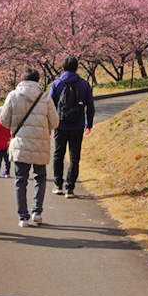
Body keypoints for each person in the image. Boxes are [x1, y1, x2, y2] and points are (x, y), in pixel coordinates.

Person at [0, 68, 59, 228]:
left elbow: (4, 120)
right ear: (38, 81)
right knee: (40, 178)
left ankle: (23, 217)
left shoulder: (13, 95)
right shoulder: (45, 97)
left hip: (20, 144)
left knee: (20, 180)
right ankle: (37, 212)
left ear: (22, 80)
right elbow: (55, 122)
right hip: (40, 143)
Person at [49, 55, 95, 198]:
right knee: (74, 156)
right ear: (77, 68)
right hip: (77, 125)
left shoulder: (56, 84)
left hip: (60, 125)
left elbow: (50, 105)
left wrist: (50, 124)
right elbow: (90, 106)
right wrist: (89, 123)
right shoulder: (84, 84)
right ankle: (70, 188)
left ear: (62, 68)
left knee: (58, 155)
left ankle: (58, 185)